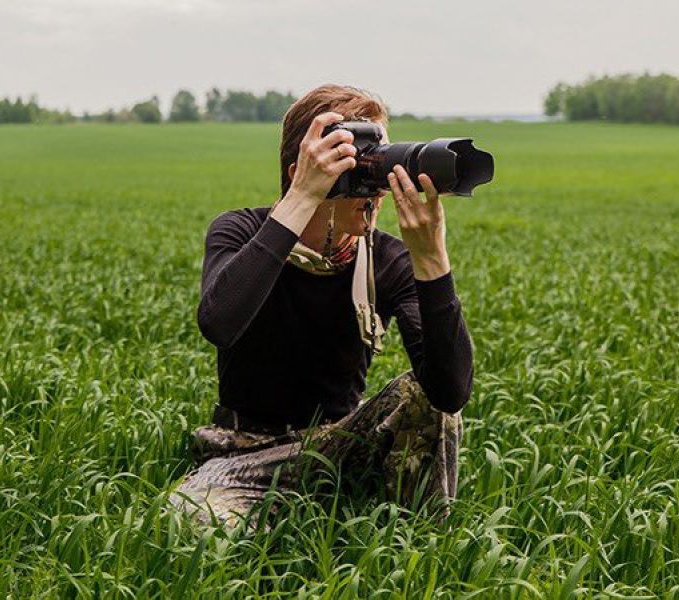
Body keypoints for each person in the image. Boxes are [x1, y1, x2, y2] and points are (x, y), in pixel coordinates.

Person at [170, 84, 473, 528]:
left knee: (419, 396)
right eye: (355, 166)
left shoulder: (386, 259)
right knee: (193, 523)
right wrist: (301, 198)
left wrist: (432, 261)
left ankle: (421, 544)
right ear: (303, 170)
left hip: (340, 447)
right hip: (244, 450)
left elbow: (448, 394)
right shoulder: (240, 231)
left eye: (378, 161)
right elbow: (219, 322)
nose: (375, 187)